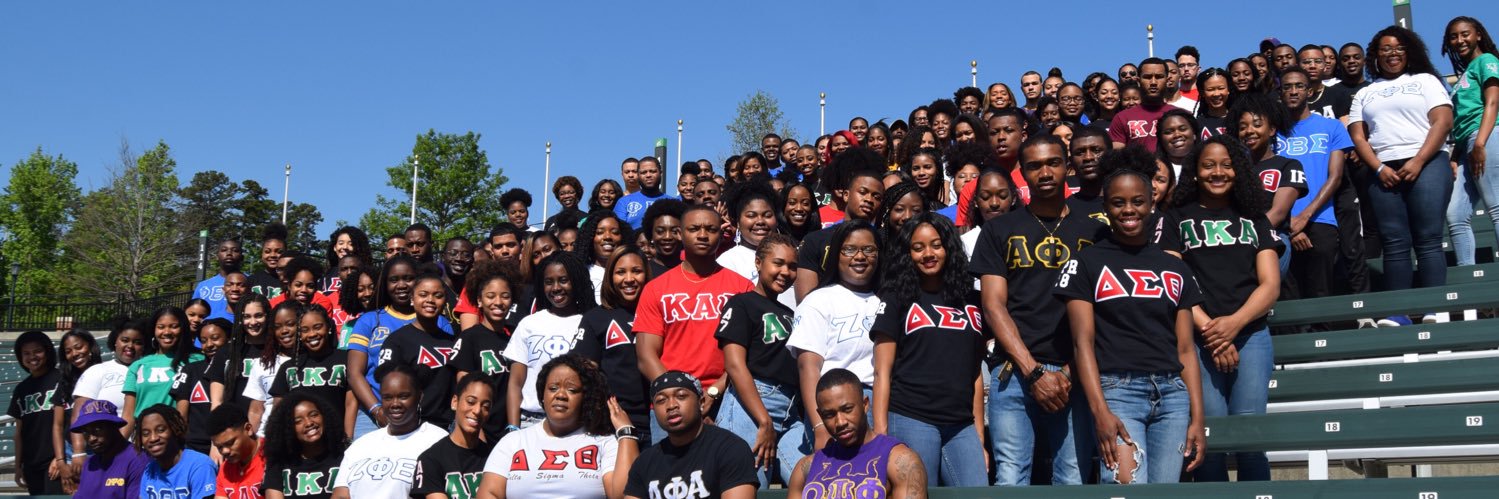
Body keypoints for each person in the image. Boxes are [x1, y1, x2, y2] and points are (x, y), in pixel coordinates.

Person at [969, 134, 1106, 485]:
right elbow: (992, 305)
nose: (1044, 172)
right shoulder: (998, 229)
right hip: (1014, 370)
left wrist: (1068, 373)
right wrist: (1034, 373)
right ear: (1023, 175)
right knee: (1011, 476)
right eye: (1034, 166)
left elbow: (1102, 310)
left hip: (1073, 371)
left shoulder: (1095, 232)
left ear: (1068, 167)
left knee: (1072, 476)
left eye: (1053, 163)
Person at [1058, 168, 1206, 484]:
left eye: (1138, 201)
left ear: (1152, 202)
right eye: (1118, 202)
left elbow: (1185, 349)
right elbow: (1082, 344)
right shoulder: (1086, 262)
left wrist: (1197, 417)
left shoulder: (1174, 267)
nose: (1128, 210)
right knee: (1127, 491)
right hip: (1118, 391)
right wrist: (1100, 412)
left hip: (1173, 396)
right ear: (1106, 207)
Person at [1157, 135, 1282, 482]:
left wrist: (1234, 325)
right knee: (1206, 435)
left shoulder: (1254, 217)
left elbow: (1270, 284)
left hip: (1251, 334)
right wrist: (1213, 332)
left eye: (1227, 165)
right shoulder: (1175, 218)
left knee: (1249, 436)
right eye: (1208, 165)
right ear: (1195, 171)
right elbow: (1173, 281)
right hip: (1198, 339)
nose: (1218, 172)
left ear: (1238, 171)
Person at [870, 213, 987, 487]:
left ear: (949, 247)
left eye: (936, 245)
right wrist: (881, 435)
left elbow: (975, 373)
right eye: (918, 247)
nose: (928, 254)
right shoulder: (897, 296)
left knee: (978, 493)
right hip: (912, 416)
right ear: (907, 253)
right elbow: (881, 372)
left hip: (962, 424)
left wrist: (980, 438)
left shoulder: (970, 298)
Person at [1350, 26, 1455, 325]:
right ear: (1376, 55)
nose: (1392, 54)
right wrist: (1379, 167)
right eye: (1385, 49)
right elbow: (1358, 135)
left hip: (1427, 162)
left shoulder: (1425, 81)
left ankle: (1435, 308)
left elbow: (1442, 121)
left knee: (1428, 238)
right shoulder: (1366, 92)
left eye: (1398, 47)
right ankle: (1400, 312)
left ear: (1409, 51)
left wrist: (1419, 161)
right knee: (1394, 242)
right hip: (1383, 169)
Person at [634, 205, 755, 439]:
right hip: (670, 403)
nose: (702, 234)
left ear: (721, 234)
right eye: (694, 228)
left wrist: (714, 391)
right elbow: (646, 356)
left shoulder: (742, 288)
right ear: (680, 233)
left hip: (730, 399)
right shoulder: (655, 289)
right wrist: (681, 396)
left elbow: (750, 352)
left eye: (710, 229)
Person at [713, 233, 805, 486]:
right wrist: (763, 419)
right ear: (758, 263)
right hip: (750, 405)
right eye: (778, 263)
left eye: (792, 266)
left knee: (813, 483)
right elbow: (733, 364)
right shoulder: (742, 303)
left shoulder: (790, 313)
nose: (785, 272)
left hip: (790, 408)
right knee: (751, 487)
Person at [476, 354, 637, 498]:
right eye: (553, 388)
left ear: (585, 398)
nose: (560, 395)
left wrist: (626, 433)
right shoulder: (513, 442)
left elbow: (622, 495)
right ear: (542, 395)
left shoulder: (604, 442)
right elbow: (489, 493)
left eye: (572, 390)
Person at [788, 221, 883, 451]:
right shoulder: (817, 300)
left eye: (868, 249)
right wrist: (820, 426)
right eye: (849, 249)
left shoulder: (887, 301)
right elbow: (808, 368)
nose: (860, 256)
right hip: (835, 408)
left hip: (879, 403)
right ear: (835, 255)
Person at [1276, 66, 1352, 307]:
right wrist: (1290, 225)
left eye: (1299, 86)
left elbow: (1336, 176)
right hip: (1281, 222)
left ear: (1309, 91)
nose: (1293, 91)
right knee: (1288, 295)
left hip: (1321, 218)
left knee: (1321, 292)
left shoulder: (1332, 127)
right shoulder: (1270, 132)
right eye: (1287, 87)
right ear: (1280, 93)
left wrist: (1304, 218)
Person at [788, 368, 927, 499]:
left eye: (847, 409)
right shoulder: (806, 468)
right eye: (829, 415)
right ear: (820, 415)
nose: (840, 422)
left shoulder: (900, 460)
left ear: (865, 404)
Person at [624, 371, 757, 499]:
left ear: (701, 402)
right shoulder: (644, 462)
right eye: (661, 400)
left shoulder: (731, 449)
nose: (671, 405)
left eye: (681, 396)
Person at [504, 251, 596, 428]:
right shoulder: (529, 323)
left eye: (563, 280)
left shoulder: (589, 322)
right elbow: (515, 383)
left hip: (576, 422)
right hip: (530, 421)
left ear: (576, 281)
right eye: (548, 282)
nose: (556, 288)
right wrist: (513, 428)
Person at [331, 363, 448, 498]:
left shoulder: (438, 440)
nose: (395, 404)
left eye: (403, 396)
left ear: (419, 397)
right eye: (387, 398)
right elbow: (340, 495)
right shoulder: (360, 445)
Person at [574, 246, 654, 442]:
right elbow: (584, 372)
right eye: (620, 272)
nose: (629, 279)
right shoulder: (595, 318)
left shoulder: (662, 313)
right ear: (610, 277)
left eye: (636, 271)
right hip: (613, 425)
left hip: (659, 421)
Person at [346, 255, 429, 437]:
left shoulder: (436, 321)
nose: (401, 285)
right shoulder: (368, 320)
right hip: (372, 415)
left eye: (408, 278)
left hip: (424, 415)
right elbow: (354, 373)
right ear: (385, 284)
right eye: (394, 280)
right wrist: (377, 410)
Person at [1231, 93, 1309, 273]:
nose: (1249, 131)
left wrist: (1245, 237)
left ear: (1272, 130)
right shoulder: (1234, 168)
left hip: (1272, 238)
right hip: (1236, 240)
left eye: (1257, 125)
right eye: (1243, 127)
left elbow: (1279, 212)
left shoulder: (1289, 165)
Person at [794, 150, 887, 301]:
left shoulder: (885, 242)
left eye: (876, 196)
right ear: (846, 195)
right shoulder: (814, 241)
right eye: (862, 192)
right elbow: (806, 304)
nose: (869, 199)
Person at [1447, 17, 1499, 268]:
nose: (1459, 40)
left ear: (1478, 34)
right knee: (1455, 215)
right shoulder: (1465, 72)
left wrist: (1479, 143)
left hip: (1487, 136)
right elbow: (1460, 121)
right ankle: (1470, 281)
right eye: (1454, 37)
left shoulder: (1487, 61)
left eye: (1465, 34)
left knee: (1496, 207)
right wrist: (1456, 157)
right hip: (1467, 143)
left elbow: (1493, 102)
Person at [450, 259, 522, 442]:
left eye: (505, 296)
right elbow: (463, 387)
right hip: (481, 431)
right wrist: (477, 431)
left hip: (512, 430)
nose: (498, 302)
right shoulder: (469, 338)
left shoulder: (516, 337)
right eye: (491, 296)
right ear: (479, 300)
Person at [377, 274, 460, 428]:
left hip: (448, 425)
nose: (430, 300)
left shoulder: (453, 342)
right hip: (412, 425)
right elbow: (386, 385)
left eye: (438, 295)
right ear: (412, 299)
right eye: (423, 294)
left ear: (445, 301)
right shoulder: (397, 341)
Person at [269, 304, 357, 438]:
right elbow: (279, 411)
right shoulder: (289, 367)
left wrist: (347, 439)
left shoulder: (346, 359)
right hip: (301, 444)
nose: (312, 334)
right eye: (305, 330)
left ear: (328, 327)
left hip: (336, 440)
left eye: (317, 327)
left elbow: (351, 403)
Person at [412, 373, 495, 499]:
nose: (477, 410)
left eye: (485, 406)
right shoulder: (430, 459)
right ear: (455, 402)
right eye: (471, 402)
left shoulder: (495, 457)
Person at [123, 307, 205, 435]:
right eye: (161, 327)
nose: (167, 332)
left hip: (183, 438)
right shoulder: (138, 365)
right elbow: (128, 416)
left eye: (174, 326)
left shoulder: (198, 360)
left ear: (183, 328)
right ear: (153, 330)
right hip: (145, 439)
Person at [8, 330, 63, 494]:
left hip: (55, 461)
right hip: (31, 464)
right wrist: (18, 466)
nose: (32, 357)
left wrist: (60, 458)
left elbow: (67, 422)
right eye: (26, 353)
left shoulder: (61, 378)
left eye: (37, 351)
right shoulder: (21, 388)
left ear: (47, 352)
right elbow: (18, 432)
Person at [262, 391, 346, 499]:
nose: (309, 423)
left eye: (314, 415)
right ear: (288, 428)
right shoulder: (279, 463)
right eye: (298, 421)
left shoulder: (344, 456)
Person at [50, 328, 101, 492]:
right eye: (68, 351)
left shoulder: (105, 374)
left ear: (90, 346)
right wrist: (60, 461)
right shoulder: (64, 383)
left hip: (102, 450)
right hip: (71, 452)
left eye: (79, 347)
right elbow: (58, 426)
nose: (75, 353)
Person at [171, 318, 230, 455]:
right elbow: (181, 415)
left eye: (215, 338)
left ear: (229, 338)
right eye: (203, 341)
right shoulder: (190, 370)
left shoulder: (238, 370)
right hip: (193, 447)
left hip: (229, 444)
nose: (209, 345)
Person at [70, 400, 150, 498]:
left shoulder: (138, 460)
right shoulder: (90, 463)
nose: (92, 439)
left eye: (97, 429)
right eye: (86, 432)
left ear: (114, 425)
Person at [136, 404, 218, 499]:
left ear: (175, 429)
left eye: (160, 430)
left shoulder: (200, 465)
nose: (153, 438)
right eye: (146, 434)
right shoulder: (149, 470)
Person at [1111, 58, 1174, 152]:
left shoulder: (1179, 115)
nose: (1153, 82)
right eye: (1147, 77)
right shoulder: (1121, 118)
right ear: (1138, 80)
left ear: (1167, 80)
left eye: (1159, 77)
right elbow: (1117, 159)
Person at [208, 403, 265, 499]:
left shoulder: (272, 455)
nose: (225, 451)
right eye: (219, 447)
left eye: (230, 443)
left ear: (248, 429)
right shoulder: (225, 469)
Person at [616, 157, 679, 230]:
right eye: (643, 172)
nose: (648, 175)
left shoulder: (673, 203)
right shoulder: (623, 202)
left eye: (652, 171)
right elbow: (618, 232)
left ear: (660, 173)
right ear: (638, 175)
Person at [194, 238, 246, 321]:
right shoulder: (203, 286)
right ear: (217, 256)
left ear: (242, 257)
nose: (229, 253)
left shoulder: (251, 282)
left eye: (235, 250)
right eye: (224, 250)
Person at [642, 199, 686, 277]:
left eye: (675, 231)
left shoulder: (693, 271)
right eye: (660, 231)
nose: (667, 237)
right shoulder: (643, 271)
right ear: (651, 234)